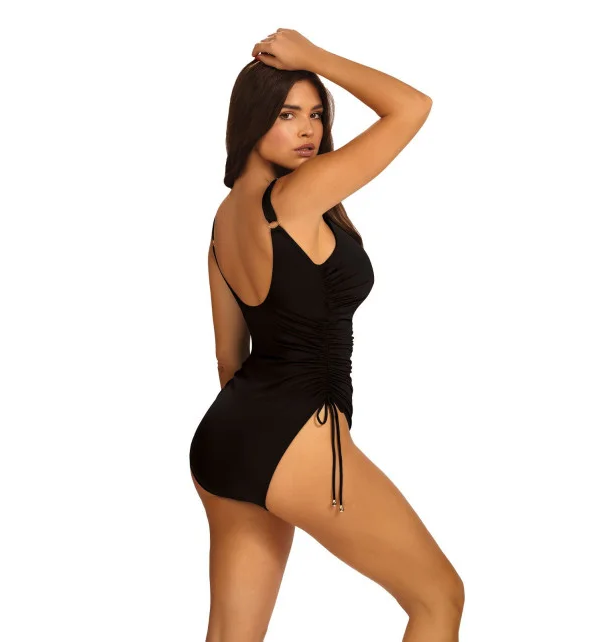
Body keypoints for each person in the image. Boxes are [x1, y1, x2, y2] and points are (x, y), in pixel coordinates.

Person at [189, 28, 463, 642]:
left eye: (316, 114)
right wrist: (314, 57)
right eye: (287, 114)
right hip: (298, 432)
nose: (308, 130)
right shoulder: (293, 199)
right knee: (439, 597)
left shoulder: (224, 221)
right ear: (252, 119)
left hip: (224, 440)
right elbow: (412, 107)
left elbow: (229, 359)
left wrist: (261, 442)